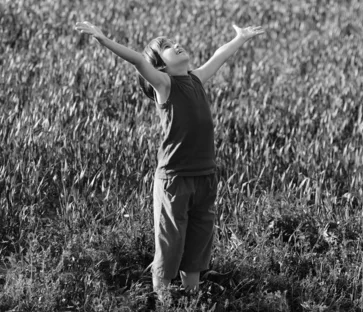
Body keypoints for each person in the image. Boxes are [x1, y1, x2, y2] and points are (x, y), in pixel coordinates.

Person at [73, 21, 265, 296]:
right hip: (175, 180)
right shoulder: (165, 85)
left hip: (205, 177)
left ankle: (191, 299)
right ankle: (163, 302)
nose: (175, 45)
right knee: (170, 247)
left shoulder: (196, 78)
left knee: (198, 248)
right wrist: (104, 40)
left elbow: (220, 56)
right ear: (160, 66)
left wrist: (240, 38)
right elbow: (139, 60)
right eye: (165, 47)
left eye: (171, 41)